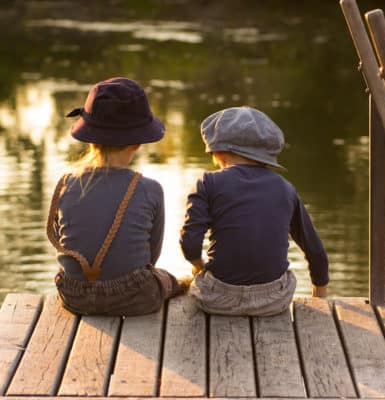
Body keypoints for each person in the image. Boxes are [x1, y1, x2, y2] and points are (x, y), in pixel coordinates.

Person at [47, 77, 190, 316]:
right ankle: (182, 284)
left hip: (73, 297)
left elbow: (64, 246)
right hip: (134, 298)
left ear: (90, 139)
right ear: (137, 143)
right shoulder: (150, 189)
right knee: (164, 279)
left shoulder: (65, 184)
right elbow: (150, 261)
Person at [180, 106, 329, 316]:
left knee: (195, 282)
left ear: (219, 153)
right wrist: (320, 296)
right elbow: (315, 250)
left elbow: (189, 243)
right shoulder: (285, 189)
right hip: (273, 302)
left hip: (218, 300)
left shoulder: (208, 183)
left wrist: (198, 265)